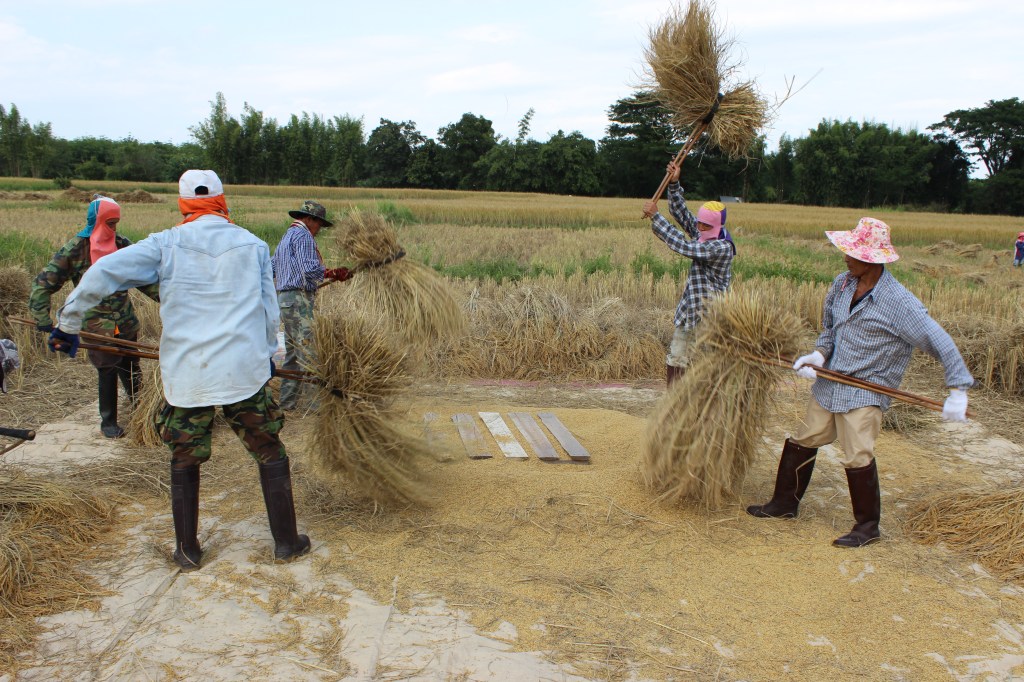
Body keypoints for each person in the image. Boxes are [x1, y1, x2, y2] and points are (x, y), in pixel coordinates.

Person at [49, 170, 311, 571]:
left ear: (183, 204)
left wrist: (68, 324)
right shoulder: (253, 245)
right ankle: (287, 543)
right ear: (223, 201)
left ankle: (187, 551)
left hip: (189, 375)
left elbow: (102, 272)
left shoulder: (163, 244)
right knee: (269, 451)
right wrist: (265, 358)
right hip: (243, 373)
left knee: (184, 457)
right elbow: (267, 310)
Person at [746, 217, 973, 548]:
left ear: (872, 259)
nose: (844, 256)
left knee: (856, 454)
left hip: (866, 389)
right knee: (805, 438)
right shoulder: (842, 284)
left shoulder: (899, 302)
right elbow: (829, 328)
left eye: (851, 252)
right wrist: (819, 356)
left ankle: (867, 526)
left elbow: (939, 340)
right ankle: (783, 505)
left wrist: (958, 389)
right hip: (831, 383)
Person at [29, 196, 159, 438]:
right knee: (107, 368)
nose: (114, 229)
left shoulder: (121, 245)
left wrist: (168, 299)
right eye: (109, 223)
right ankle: (108, 421)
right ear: (96, 221)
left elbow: (145, 278)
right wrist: (42, 316)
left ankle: (142, 410)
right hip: (96, 324)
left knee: (131, 365)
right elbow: (44, 283)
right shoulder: (76, 249)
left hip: (125, 320)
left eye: (116, 223)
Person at [642, 160, 736, 386]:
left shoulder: (721, 247)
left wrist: (656, 217)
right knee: (676, 358)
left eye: (704, 226)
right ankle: (675, 409)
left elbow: (685, 246)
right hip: (690, 311)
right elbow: (681, 213)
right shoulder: (704, 230)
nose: (699, 228)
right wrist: (674, 184)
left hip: (710, 317)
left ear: (716, 227)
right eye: (700, 224)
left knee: (707, 366)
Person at [270, 200, 351, 411]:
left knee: (293, 353)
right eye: (319, 225)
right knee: (309, 351)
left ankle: (287, 404)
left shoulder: (286, 238)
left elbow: (271, 268)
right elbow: (309, 268)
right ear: (309, 219)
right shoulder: (304, 235)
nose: (319, 230)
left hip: (285, 300)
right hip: (298, 300)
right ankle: (315, 407)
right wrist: (331, 273)